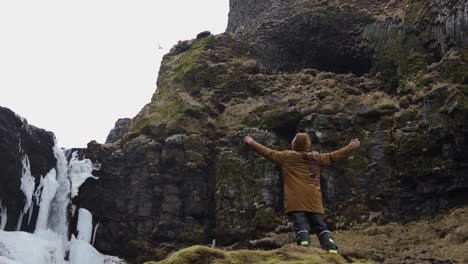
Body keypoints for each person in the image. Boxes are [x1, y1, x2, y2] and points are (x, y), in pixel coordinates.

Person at [244, 133, 360, 253]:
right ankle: (331, 249)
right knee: (321, 226)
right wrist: (350, 147)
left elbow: (268, 152)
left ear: (294, 144)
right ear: (308, 144)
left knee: (300, 225)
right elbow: (333, 156)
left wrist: (251, 142)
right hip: (314, 200)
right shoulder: (316, 157)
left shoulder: (286, 156)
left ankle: (304, 248)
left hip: (296, 200)